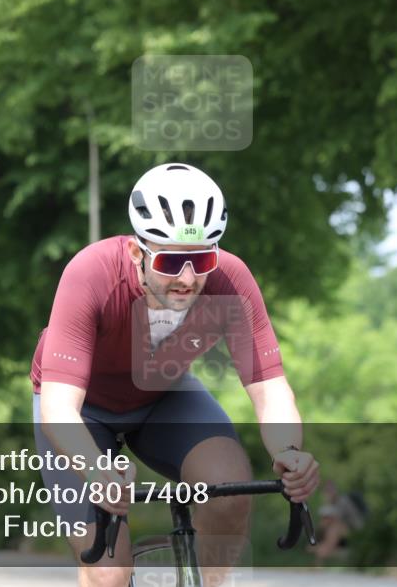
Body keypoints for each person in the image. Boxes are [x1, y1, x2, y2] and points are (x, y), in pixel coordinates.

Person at [31, 163, 320, 587]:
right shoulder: (90, 272)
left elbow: (270, 390)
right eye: (170, 261)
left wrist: (290, 451)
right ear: (136, 253)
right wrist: (95, 470)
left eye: (201, 259)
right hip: (81, 410)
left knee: (230, 488)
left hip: (163, 394)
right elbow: (58, 406)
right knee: (109, 574)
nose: (188, 278)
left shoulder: (230, 281)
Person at [309, 480, 368, 565]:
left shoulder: (342, 501)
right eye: (326, 491)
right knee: (329, 526)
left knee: (334, 528)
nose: (327, 494)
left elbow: (336, 519)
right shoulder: (330, 504)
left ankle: (323, 552)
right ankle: (321, 552)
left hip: (353, 527)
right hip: (342, 527)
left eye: (330, 491)